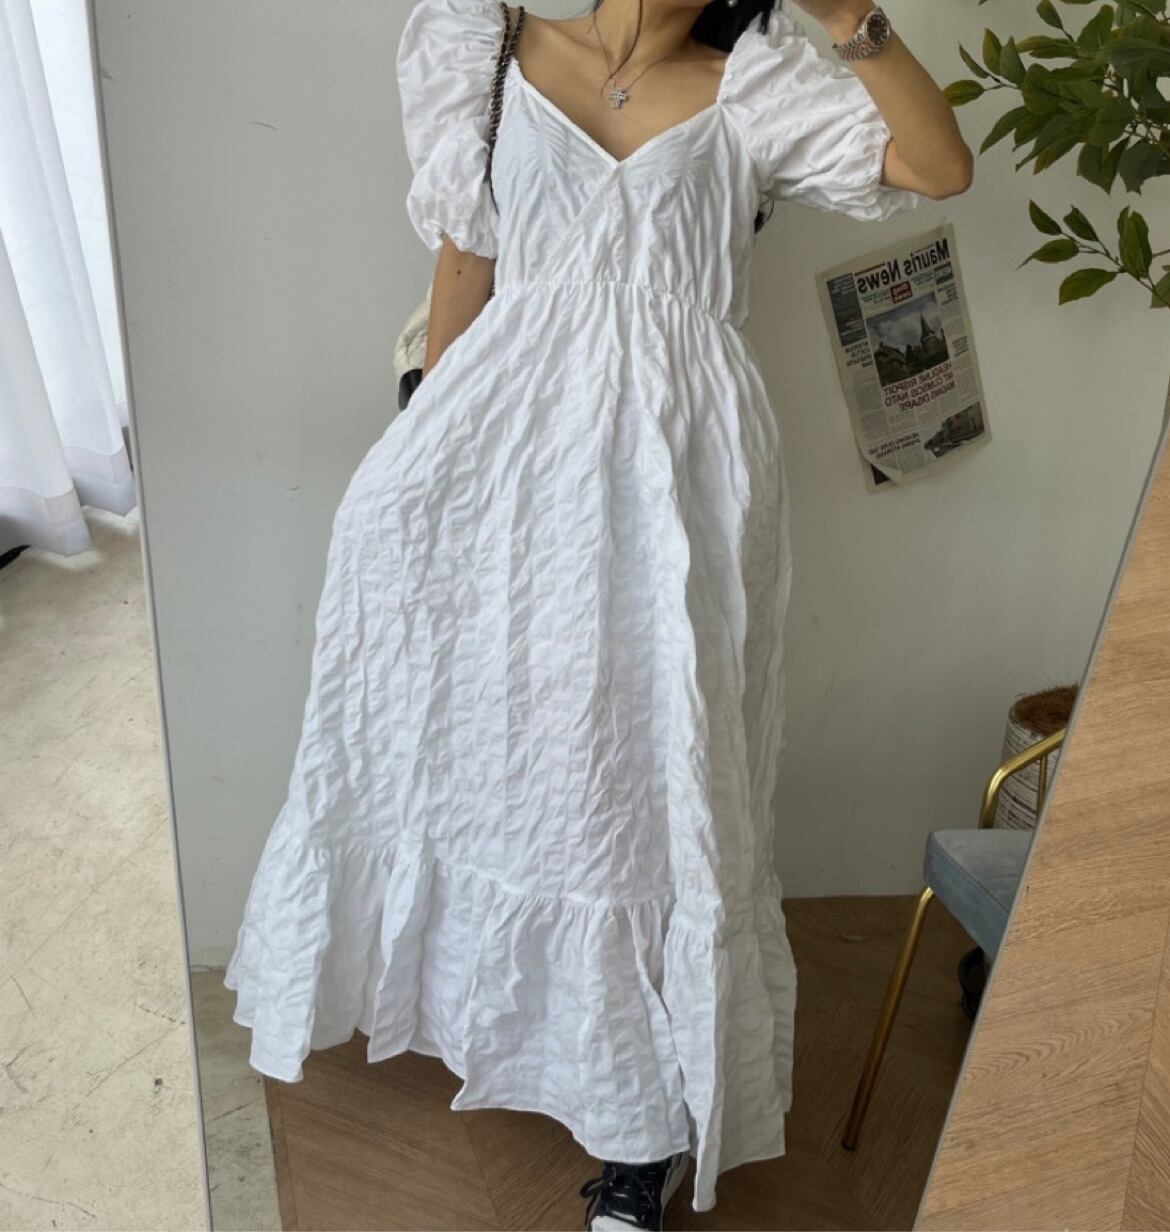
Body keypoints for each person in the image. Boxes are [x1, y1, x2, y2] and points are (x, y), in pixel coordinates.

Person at [224, 0, 972, 1227]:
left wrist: (854, 18)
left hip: (681, 478)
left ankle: (645, 1129)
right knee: (501, 760)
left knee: (648, 780)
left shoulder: (755, 83)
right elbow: (466, 262)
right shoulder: (490, 46)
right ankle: (494, 1021)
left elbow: (939, 167)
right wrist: (419, 461)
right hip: (502, 456)